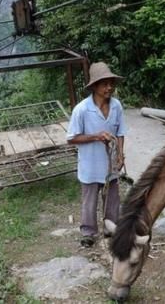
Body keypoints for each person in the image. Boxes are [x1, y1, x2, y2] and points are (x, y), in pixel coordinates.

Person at [67, 61, 126, 247]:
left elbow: (121, 132)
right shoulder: (82, 110)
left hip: (111, 165)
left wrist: (120, 155)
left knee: (112, 199)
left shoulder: (116, 106)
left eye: (111, 83)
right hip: (90, 164)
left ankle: (110, 228)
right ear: (94, 86)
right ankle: (88, 232)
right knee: (89, 201)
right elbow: (71, 138)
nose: (109, 87)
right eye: (104, 84)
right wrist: (96, 136)